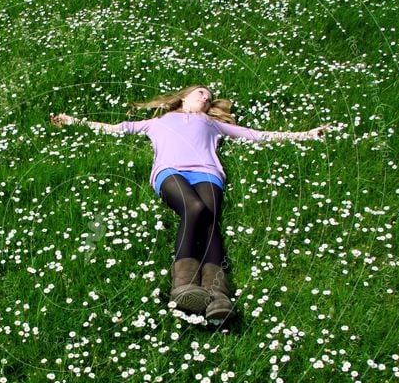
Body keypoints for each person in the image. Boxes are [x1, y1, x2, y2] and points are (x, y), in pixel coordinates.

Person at [50, 85, 330, 323]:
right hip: (170, 171)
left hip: (208, 172)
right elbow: (117, 128)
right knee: (194, 209)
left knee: (209, 219)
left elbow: (257, 135)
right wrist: (74, 121)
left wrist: (306, 135)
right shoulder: (157, 122)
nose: (206, 98)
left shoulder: (213, 123)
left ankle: (218, 295)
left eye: (209, 97)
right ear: (184, 97)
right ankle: (183, 284)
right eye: (201, 93)